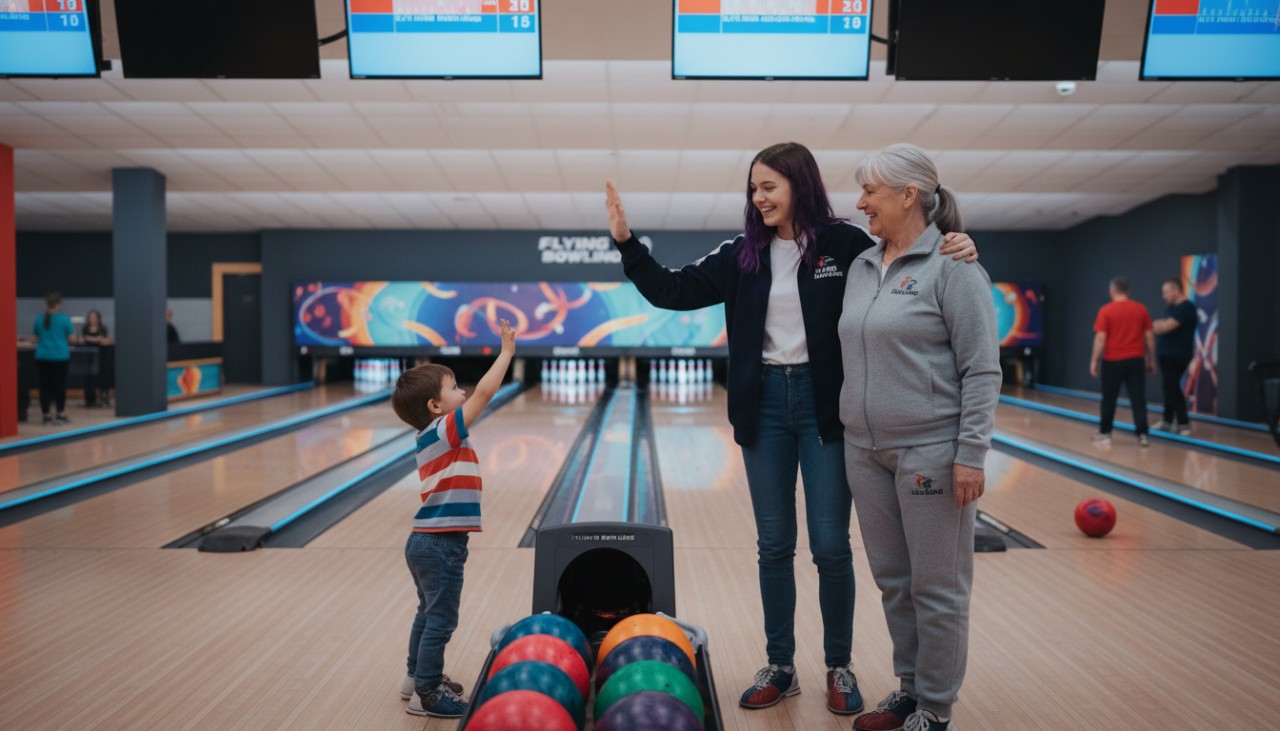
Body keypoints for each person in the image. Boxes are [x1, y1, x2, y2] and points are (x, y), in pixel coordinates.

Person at [604, 141, 978, 717]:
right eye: (753, 188)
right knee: (774, 546)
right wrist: (628, 245)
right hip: (765, 411)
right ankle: (781, 664)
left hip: (828, 409)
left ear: (798, 185)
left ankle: (839, 665)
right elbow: (671, 290)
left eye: (768, 186)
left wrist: (961, 238)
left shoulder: (847, 245)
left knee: (831, 547)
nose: (758, 198)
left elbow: (914, 247)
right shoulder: (740, 255)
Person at [837, 143, 1001, 731]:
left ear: (909, 195)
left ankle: (935, 707)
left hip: (931, 449)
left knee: (938, 586)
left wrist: (971, 454)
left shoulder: (955, 268)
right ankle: (909, 689)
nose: (859, 203)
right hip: (864, 450)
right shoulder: (861, 266)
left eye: (870, 193)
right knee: (894, 582)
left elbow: (982, 368)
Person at [390, 318, 516, 718]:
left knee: (427, 614)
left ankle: (415, 677)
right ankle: (426, 694)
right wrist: (507, 353)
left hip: (426, 541)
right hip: (441, 544)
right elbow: (486, 391)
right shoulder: (445, 430)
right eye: (454, 388)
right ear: (436, 407)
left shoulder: (434, 434)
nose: (463, 392)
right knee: (442, 620)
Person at [1090, 276, 1156, 446]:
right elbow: (1149, 337)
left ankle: (1105, 433)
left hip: (1112, 361)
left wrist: (1094, 361)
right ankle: (1143, 435)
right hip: (1136, 360)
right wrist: (1151, 360)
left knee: (1109, 398)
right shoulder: (1140, 309)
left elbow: (1100, 338)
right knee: (1138, 398)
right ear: (1128, 291)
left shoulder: (1106, 310)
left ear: (1112, 290)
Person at [1152, 278, 1196, 436]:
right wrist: (1160, 325)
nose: (1164, 296)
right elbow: (1161, 326)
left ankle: (1183, 423)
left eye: (1166, 292)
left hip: (1178, 354)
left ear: (1176, 290)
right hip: (1166, 353)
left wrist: (1159, 325)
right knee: (1168, 387)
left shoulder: (1187, 308)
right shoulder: (1172, 308)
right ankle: (1167, 421)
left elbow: (1165, 327)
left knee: (1171, 386)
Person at [32, 292, 77, 425]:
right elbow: (71, 339)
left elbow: (35, 338)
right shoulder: (64, 319)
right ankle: (60, 413)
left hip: (42, 356)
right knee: (60, 385)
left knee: (44, 386)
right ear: (59, 304)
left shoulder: (39, 319)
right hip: (60, 357)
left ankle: (46, 414)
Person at [80, 309, 114, 408]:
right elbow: (81, 340)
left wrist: (101, 340)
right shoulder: (85, 329)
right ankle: (90, 399)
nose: (92, 320)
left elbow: (107, 340)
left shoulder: (103, 329)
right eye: (90, 318)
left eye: (94, 318)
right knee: (90, 378)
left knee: (104, 377)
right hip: (89, 357)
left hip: (102, 356)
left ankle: (104, 398)